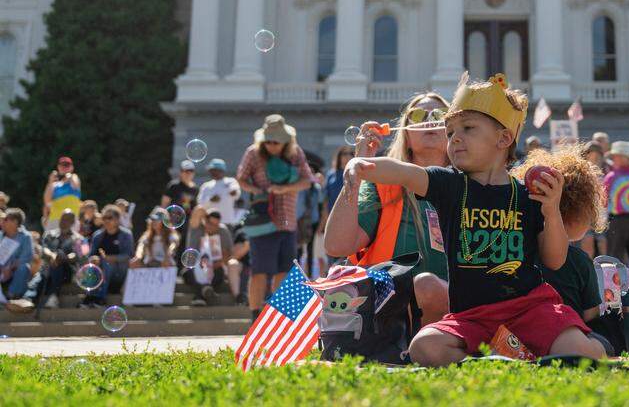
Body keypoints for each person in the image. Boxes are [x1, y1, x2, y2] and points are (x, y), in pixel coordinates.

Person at [346, 73, 605, 365]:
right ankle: (507, 358)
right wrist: (361, 164)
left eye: (467, 128)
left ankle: (515, 356)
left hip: (531, 310)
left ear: (503, 138)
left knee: (584, 353)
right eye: (450, 131)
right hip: (472, 316)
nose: (454, 138)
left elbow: (554, 259)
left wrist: (551, 209)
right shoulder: (450, 185)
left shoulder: (528, 194)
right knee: (425, 346)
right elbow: (405, 172)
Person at [324, 93, 452, 325]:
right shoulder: (384, 184)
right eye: (419, 115)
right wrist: (358, 169)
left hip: (457, 309)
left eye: (441, 115)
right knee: (427, 286)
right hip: (393, 315)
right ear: (406, 134)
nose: (431, 119)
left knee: (431, 287)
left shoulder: (469, 185)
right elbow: (336, 245)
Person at [511, 145, 608, 338]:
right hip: (569, 338)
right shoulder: (579, 261)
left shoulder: (515, 251)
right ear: (579, 208)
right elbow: (591, 317)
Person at [236, 113, 315, 320]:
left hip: (287, 222)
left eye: (276, 141)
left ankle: (280, 317)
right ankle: (255, 316)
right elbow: (241, 179)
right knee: (259, 270)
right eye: (268, 141)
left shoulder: (295, 153)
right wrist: (258, 190)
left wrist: (284, 188)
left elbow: (308, 180)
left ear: (286, 141)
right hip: (263, 221)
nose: (271, 145)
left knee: (285, 270)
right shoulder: (253, 154)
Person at [184, 207, 241, 305]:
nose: (212, 227)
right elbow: (198, 210)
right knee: (186, 274)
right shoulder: (196, 228)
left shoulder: (223, 231)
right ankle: (205, 290)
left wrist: (221, 260)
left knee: (219, 274)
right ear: (205, 220)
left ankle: (199, 295)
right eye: (210, 223)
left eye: (215, 225)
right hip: (196, 266)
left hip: (215, 267)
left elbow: (229, 254)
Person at [82, 204, 134, 308]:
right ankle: (89, 297)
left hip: (119, 275)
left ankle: (100, 299)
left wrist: (111, 258)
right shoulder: (97, 235)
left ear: (117, 219)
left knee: (107, 263)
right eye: (104, 218)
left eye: (109, 218)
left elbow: (128, 256)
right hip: (101, 272)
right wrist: (93, 259)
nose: (106, 221)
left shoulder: (126, 235)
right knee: (92, 265)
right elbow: (91, 255)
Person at [33, 208, 83, 309]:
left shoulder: (79, 238)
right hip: (49, 268)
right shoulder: (49, 234)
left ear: (72, 222)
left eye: (67, 219)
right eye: (62, 218)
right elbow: (44, 249)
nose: (63, 221)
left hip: (68, 271)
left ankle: (53, 296)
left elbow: (80, 255)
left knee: (58, 264)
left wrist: (64, 258)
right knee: (45, 273)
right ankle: (34, 298)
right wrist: (53, 256)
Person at [577, 141, 608, 259]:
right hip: (586, 212)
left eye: (597, 155)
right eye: (591, 155)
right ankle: (588, 267)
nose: (594, 158)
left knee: (602, 242)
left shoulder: (606, 172)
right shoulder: (582, 173)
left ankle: (605, 269)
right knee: (587, 241)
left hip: (602, 213)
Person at [0, 208, 35, 302]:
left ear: (15, 222)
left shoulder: (25, 237)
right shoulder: (0, 236)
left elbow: (27, 257)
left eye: (5, 219)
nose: (2, 222)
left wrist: (10, 268)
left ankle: (12, 295)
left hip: (14, 273)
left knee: (24, 268)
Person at [197, 158, 242, 227]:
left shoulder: (230, 181)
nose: (212, 172)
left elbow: (236, 193)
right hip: (210, 224)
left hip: (227, 222)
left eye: (215, 170)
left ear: (222, 171)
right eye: (211, 170)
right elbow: (200, 204)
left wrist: (234, 192)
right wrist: (210, 200)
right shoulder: (206, 186)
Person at [42, 155, 82, 231]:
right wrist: (50, 182)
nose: (64, 167)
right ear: (58, 167)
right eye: (62, 165)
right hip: (55, 219)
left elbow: (75, 185)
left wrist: (68, 174)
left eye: (67, 165)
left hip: (71, 219)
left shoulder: (74, 177)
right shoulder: (54, 185)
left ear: (72, 167)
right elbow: (47, 201)